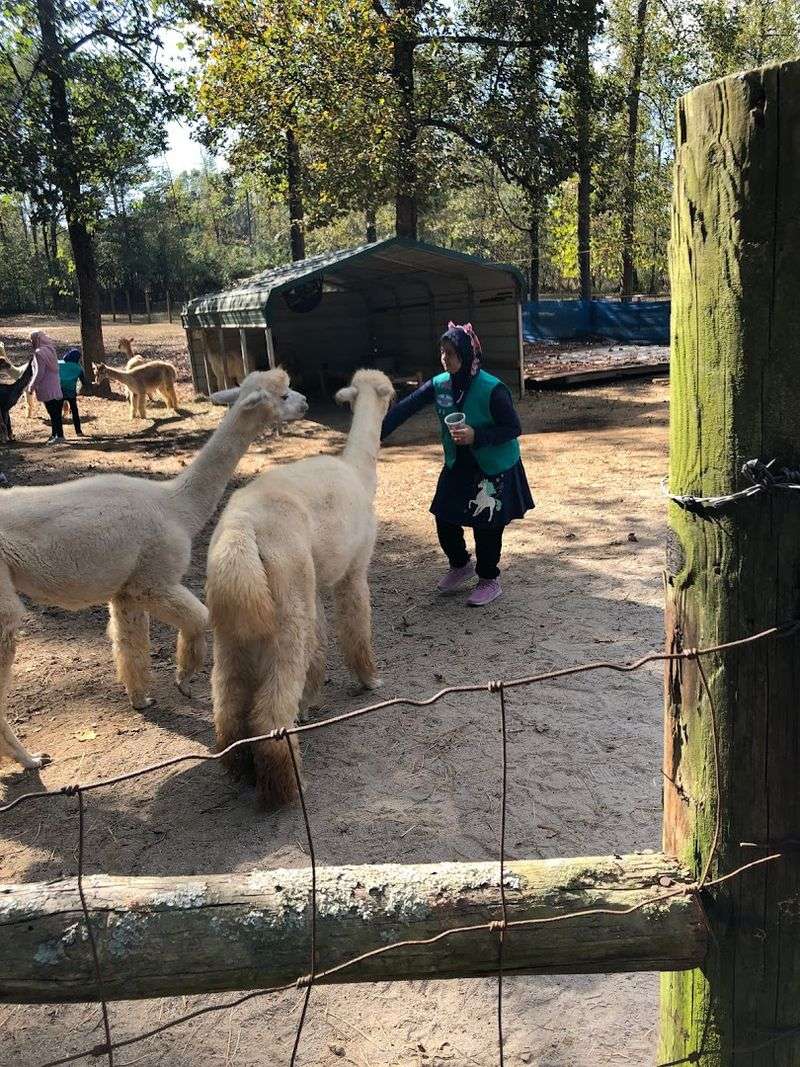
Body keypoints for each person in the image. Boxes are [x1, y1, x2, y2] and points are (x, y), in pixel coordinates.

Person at [380, 322, 533, 606]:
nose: (444, 358)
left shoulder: (492, 388)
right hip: (459, 462)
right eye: (442, 352)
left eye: (450, 353)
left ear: (467, 355)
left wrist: (477, 435)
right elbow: (406, 408)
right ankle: (461, 564)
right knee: (444, 515)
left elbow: (513, 428)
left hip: (492, 464)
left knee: (486, 526)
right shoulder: (441, 385)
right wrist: (373, 433)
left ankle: (488, 579)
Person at [28, 331, 64, 444]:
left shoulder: (39, 353)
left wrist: (31, 386)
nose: (31, 342)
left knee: (53, 413)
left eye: (32, 340)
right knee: (56, 411)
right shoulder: (50, 349)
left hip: (46, 386)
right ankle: (56, 434)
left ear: (36, 340)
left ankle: (59, 436)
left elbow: (39, 372)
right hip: (56, 385)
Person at [59, 347, 86, 436]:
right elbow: (84, 382)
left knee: (57, 412)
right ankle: (78, 431)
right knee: (74, 411)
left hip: (59, 391)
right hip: (71, 392)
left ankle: (59, 434)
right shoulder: (79, 368)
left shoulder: (59, 363)